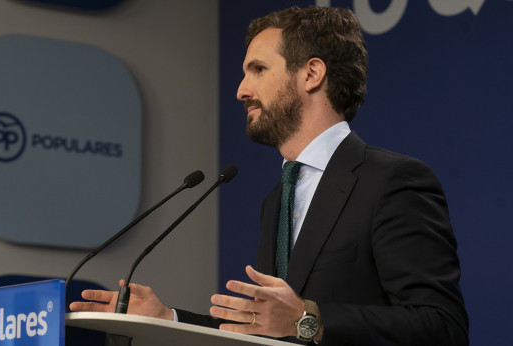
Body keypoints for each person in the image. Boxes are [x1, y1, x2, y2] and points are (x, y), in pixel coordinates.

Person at [70, 6, 469, 345]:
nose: (241, 90)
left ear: (311, 74)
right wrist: (167, 318)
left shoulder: (391, 181)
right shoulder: (277, 199)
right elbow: (266, 335)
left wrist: (308, 319)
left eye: (258, 69)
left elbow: (443, 326)